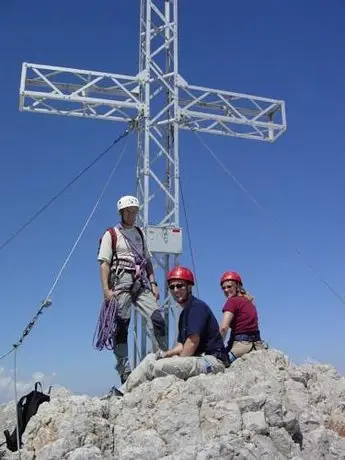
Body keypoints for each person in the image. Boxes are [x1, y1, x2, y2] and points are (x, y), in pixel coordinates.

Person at [114, 266, 228, 395]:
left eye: (180, 286)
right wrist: (165, 355)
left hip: (212, 361)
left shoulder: (197, 308)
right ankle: (121, 392)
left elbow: (192, 342)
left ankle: (126, 392)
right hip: (197, 358)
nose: (175, 290)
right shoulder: (184, 314)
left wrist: (175, 361)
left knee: (158, 367)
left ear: (189, 287)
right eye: (172, 287)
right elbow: (181, 345)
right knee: (152, 357)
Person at [97, 195, 167, 384]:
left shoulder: (139, 233)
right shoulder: (111, 234)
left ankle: (160, 361)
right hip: (120, 280)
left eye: (135, 211)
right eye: (129, 211)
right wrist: (106, 290)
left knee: (157, 318)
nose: (133, 215)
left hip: (140, 280)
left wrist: (153, 283)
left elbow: (148, 261)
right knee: (121, 327)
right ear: (122, 213)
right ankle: (124, 370)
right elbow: (104, 263)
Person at [219, 271, 266, 364]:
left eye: (229, 286)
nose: (226, 290)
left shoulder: (232, 302)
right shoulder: (249, 302)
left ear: (238, 286)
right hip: (257, 344)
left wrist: (216, 348)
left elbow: (223, 328)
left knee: (218, 364)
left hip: (241, 346)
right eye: (223, 288)